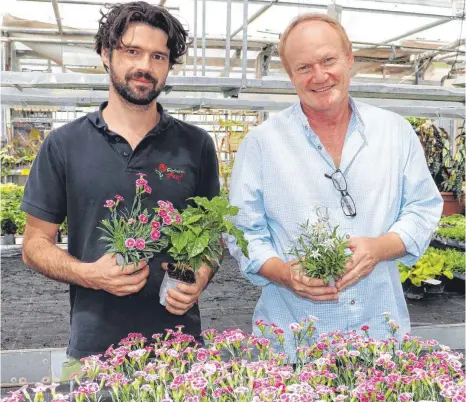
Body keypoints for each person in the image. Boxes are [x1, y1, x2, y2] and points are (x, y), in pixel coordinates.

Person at [228, 13, 443, 361]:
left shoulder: (394, 132)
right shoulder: (262, 144)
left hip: (379, 337)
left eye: (328, 60)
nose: (319, 76)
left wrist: (380, 247)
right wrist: (284, 273)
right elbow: (242, 231)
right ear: (290, 75)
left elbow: (423, 207)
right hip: (292, 342)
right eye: (304, 67)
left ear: (349, 59)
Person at [20, 1, 219, 374]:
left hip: (180, 350)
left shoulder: (196, 145)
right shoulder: (64, 144)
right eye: (132, 51)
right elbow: (33, 246)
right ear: (105, 55)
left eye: (158, 56)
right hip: (94, 352)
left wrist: (201, 275)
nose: (145, 65)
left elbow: (211, 237)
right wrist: (88, 274)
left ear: (168, 66)